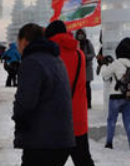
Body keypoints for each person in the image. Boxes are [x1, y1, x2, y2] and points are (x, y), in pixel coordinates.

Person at [13, 23, 74, 166]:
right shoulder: (56, 59)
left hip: (42, 142)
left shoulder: (32, 62)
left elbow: (26, 103)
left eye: (18, 42)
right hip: (61, 140)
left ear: (24, 41)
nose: (18, 47)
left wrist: (18, 116)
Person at [46, 21, 95, 166]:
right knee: (83, 160)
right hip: (79, 119)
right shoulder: (79, 54)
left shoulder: (49, 56)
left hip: (57, 121)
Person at [101, 38, 130, 151]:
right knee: (128, 121)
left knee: (111, 120)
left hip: (116, 96)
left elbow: (105, 75)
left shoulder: (116, 63)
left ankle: (109, 143)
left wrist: (103, 64)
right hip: (129, 96)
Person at [75, 29, 95, 109]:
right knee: (79, 87)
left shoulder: (87, 42)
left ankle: (88, 102)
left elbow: (93, 54)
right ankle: (80, 102)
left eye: (81, 34)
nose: (80, 36)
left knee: (87, 86)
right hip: (77, 68)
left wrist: (83, 56)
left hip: (87, 68)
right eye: (79, 34)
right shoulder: (75, 43)